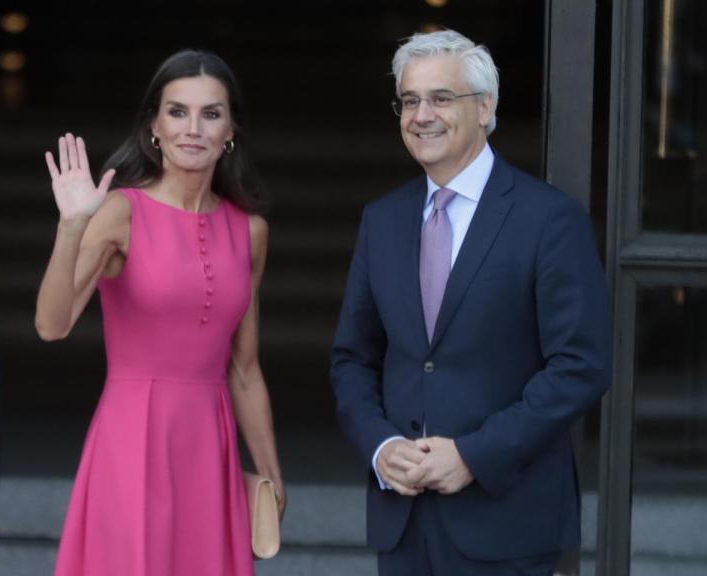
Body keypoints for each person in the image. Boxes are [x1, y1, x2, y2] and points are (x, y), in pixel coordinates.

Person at [330, 29, 611, 575]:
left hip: (506, 522)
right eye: (409, 100)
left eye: (440, 98)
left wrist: (474, 456)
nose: (421, 114)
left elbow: (582, 364)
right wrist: (380, 446)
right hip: (403, 519)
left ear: (485, 108)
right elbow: (352, 358)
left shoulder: (549, 219)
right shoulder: (382, 220)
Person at [35, 49, 285, 576]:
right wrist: (72, 226)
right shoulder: (120, 211)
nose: (192, 128)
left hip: (210, 448)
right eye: (177, 112)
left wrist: (268, 470)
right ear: (154, 126)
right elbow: (51, 326)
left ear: (230, 130)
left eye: (210, 114)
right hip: (132, 438)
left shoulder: (250, 230)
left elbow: (244, 369)